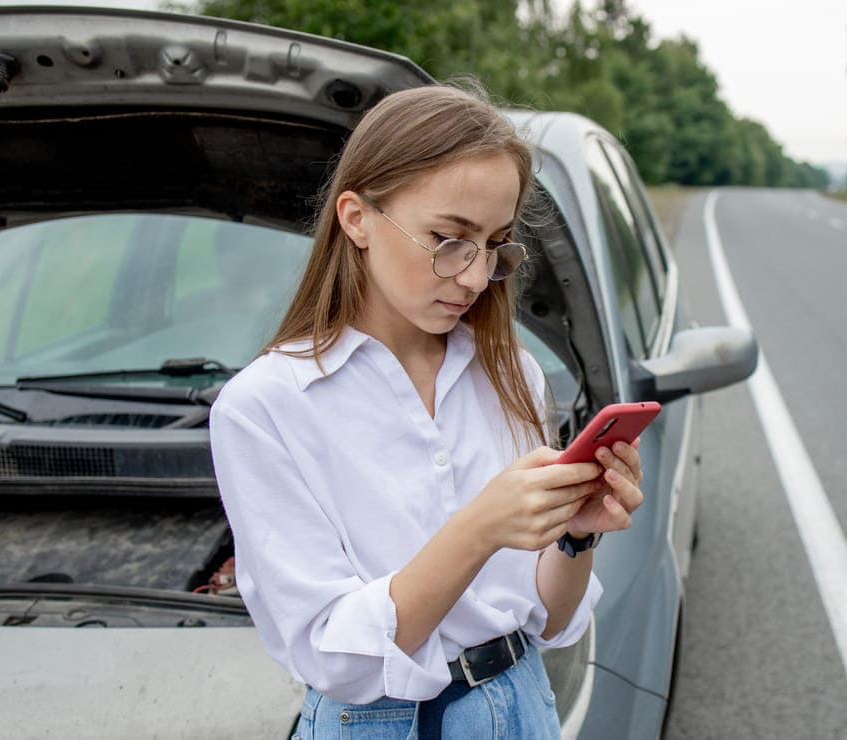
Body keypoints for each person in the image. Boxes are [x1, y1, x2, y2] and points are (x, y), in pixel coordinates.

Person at [208, 83, 645, 738]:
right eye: (448, 238)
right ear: (356, 218)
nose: (473, 277)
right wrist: (479, 529)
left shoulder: (514, 376)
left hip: (521, 703)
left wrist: (576, 534)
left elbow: (551, 623)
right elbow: (334, 654)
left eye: (494, 244)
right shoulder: (264, 408)